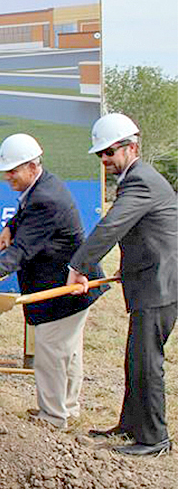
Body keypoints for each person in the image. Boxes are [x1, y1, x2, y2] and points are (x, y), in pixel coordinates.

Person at [0, 133, 107, 428]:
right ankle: (68, 408)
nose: (7, 176)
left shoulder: (46, 198)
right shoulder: (42, 185)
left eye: (12, 170)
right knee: (68, 351)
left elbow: (21, 251)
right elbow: (25, 215)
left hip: (63, 289)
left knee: (51, 353)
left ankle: (52, 418)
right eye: (6, 170)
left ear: (31, 166)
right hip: (67, 287)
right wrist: (10, 225)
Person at [66, 114, 176, 456]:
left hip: (160, 285)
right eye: (100, 153)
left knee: (147, 362)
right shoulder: (135, 179)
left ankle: (155, 439)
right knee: (135, 359)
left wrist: (78, 266)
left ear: (132, 148)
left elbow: (111, 226)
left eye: (110, 151)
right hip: (149, 280)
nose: (105, 159)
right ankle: (131, 426)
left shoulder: (141, 180)